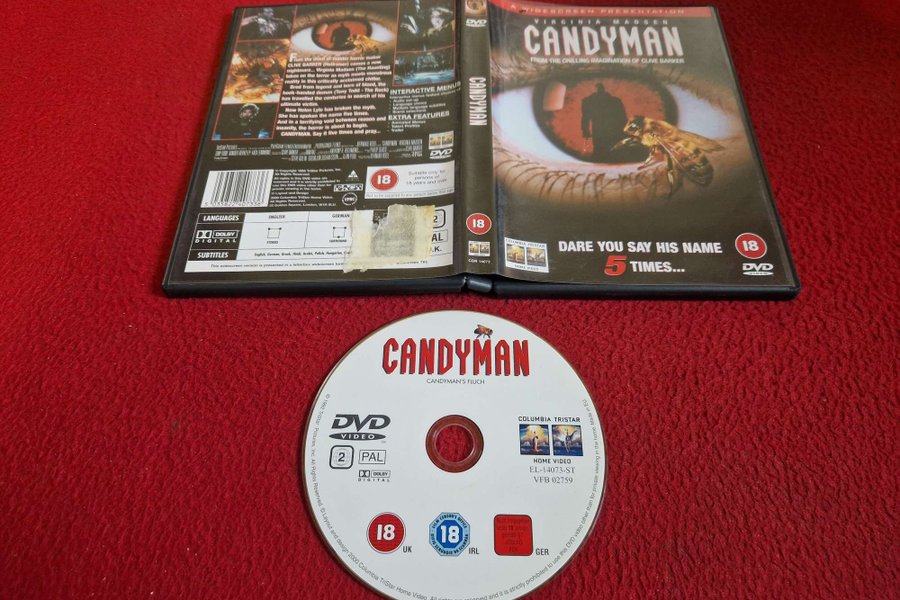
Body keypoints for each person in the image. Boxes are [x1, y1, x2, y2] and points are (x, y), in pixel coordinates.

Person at [581, 83, 628, 162]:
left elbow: (622, 117)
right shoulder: (614, 101)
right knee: (604, 149)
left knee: (606, 150)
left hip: (606, 129)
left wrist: (585, 130)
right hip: (604, 129)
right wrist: (585, 130)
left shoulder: (589, 101)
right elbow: (622, 117)